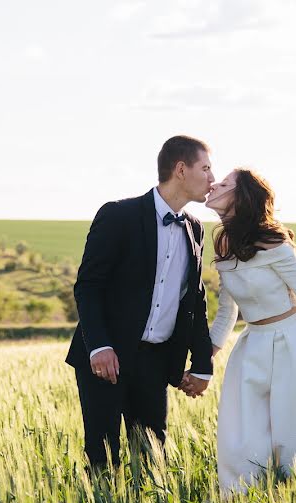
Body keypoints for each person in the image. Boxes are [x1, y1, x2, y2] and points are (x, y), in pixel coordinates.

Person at [185, 168, 296, 492]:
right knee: (243, 438)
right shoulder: (224, 247)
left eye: (225, 183)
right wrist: (203, 364)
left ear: (241, 197)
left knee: (295, 439)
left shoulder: (275, 243)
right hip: (252, 349)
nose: (214, 184)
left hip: (294, 344)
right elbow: (227, 314)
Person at [65, 135, 215, 470]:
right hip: (107, 359)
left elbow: (195, 300)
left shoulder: (195, 229)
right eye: (205, 168)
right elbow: (88, 286)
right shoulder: (119, 215)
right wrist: (99, 346)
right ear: (180, 169)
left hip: (155, 361)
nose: (211, 178)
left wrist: (202, 362)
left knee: (152, 459)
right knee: (103, 457)